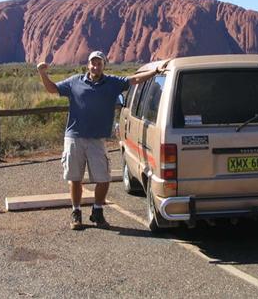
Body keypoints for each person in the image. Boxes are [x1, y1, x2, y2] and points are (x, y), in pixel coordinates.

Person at [37, 51, 170, 230]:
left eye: (99, 64)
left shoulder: (112, 83)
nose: (95, 67)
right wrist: (42, 73)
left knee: (104, 178)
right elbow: (52, 89)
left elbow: (135, 80)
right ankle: (76, 212)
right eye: (93, 63)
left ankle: (97, 211)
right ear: (88, 65)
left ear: (103, 66)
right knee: (75, 178)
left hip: (97, 140)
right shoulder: (74, 82)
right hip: (74, 137)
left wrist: (155, 72)